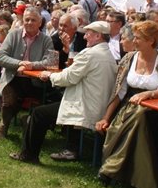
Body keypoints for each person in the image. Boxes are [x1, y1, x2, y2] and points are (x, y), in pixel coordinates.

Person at [9, 21, 117, 163]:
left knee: (38, 113)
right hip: (97, 106)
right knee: (53, 106)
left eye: (88, 34)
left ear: (98, 36)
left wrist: (49, 75)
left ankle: (29, 155)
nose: (85, 37)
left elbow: (68, 78)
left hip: (86, 108)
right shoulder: (107, 54)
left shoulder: (90, 54)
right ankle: (71, 149)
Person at [95, 20, 158, 188]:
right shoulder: (128, 58)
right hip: (128, 107)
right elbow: (119, 91)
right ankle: (132, 176)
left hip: (156, 109)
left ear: (150, 40)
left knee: (141, 115)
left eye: (138, 38)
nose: (134, 41)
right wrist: (106, 117)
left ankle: (111, 168)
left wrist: (148, 94)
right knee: (137, 119)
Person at [0, 7, 54, 139]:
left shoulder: (46, 40)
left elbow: (50, 62)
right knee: (9, 102)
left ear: (40, 22)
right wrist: (19, 63)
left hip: (35, 81)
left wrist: (32, 66)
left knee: (43, 102)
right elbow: (1, 57)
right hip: (13, 78)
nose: (29, 22)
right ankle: (4, 124)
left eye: (33, 20)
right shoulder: (13, 35)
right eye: (26, 19)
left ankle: (27, 120)